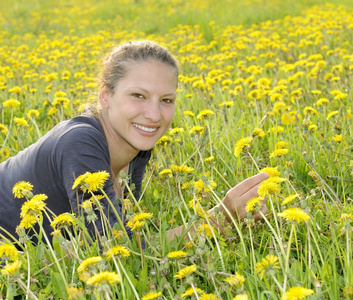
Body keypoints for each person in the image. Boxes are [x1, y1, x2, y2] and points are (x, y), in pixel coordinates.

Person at [0, 40, 268, 246]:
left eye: (166, 100)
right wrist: (217, 220)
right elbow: (118, 247)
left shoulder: (137, 152)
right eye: (138, 95)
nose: (154, 115)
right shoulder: (79, 141)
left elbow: (117, 244)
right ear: (106, 95)